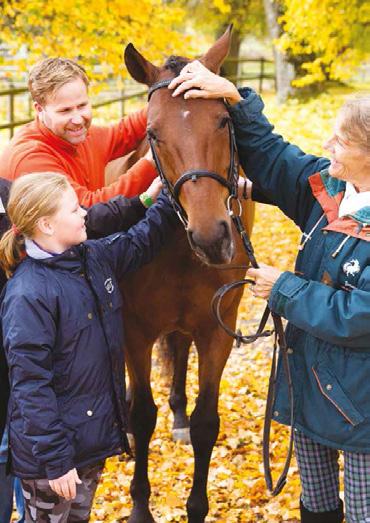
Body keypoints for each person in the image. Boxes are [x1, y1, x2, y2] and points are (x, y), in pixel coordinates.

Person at [169, 61, 370, 523]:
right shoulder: (331, 189)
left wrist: (285, 289)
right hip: (311, 391)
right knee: (316, 507)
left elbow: (359, 316)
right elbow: (275, 156)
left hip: (362, 411)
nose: (327, 145)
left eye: (340, 141)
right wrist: (236, 99)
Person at [0, 172, 168, 522]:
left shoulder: (90, 257)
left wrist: (166, 195)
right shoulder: (28, 295)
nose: (84, 215)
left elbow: (141, 241)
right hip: (53, 461)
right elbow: (31, 386)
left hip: (88, 443)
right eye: (75, 210)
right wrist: (57, 462)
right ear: (46, 224)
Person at [0, 58, 157, 206]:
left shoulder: (82, 136)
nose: (78, 120)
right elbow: (87, 210)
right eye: (65, 110)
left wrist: (164, 98)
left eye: (82, 106)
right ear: (40, 109)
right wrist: (149, 163)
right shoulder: (30, 159)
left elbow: (125, 131)